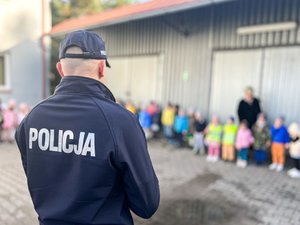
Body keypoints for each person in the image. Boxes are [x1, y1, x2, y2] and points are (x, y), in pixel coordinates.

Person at [15, 30, 159, 225]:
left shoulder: (31, 119)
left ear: (60, 69)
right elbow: (146, 205)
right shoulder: (121, 122)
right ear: (101, 67)